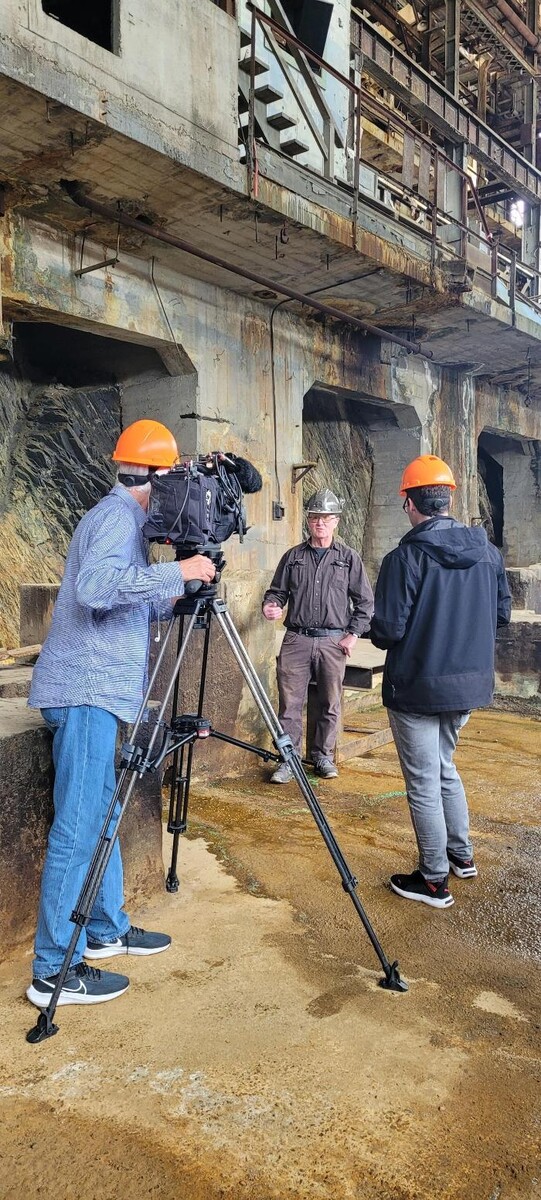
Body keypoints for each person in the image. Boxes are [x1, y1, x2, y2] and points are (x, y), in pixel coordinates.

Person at [26, 420, 216, 1009]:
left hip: (101, 694)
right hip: (86, 694)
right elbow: (95, 588)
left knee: (102, 814)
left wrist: (181, 589)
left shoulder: (131, 525)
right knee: (77, 827)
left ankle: (105, 930)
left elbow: (129, 602)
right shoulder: (114, 518)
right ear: (154, 478)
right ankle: (52, 969)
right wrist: (178, 572)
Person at [370, 454, 511, 909]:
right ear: (448, 499)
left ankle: (433, 880)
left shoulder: (405, 558)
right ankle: (461, 856)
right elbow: (502, 615)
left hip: (416, 688)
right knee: (445, 767)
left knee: (423, 782)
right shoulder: (488, 553)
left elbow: (388, 629)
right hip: (467, 687)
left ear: (410, 502)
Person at [262, 489, 374, 782]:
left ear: (336, 521)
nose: (319, 523)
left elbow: (365, 602)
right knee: (289, 704)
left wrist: (352, 635)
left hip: (332, 641)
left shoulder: (348, 559)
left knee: (329, 702)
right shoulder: (293, 557)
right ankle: (288, 760)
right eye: (314, 517)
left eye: (325, 518)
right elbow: (277, 592)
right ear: (308, 521)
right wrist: (270, 605)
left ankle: (322, 757)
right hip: (297, 639)